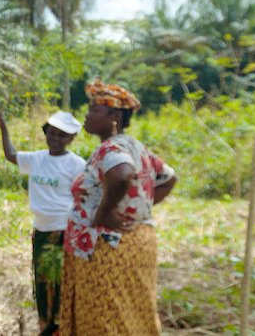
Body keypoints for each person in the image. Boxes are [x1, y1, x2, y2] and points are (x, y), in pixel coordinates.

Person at [56, 80, 177, 335]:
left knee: (106, 318)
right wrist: (134, 208)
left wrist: (104, 212)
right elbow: (168, 178)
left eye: (95, 110)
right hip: (137, 242)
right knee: (133, 313)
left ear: (115, 116)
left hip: (109, 248)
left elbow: (122, 176)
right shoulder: (136, 146)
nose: (87, 115)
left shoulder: (111, 148)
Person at [0, 111, 86, 336]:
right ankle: (46, 325)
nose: (55, 138)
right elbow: (11, 155)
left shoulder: (77, 165)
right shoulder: (36, 159)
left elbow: (86, 195)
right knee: (43, 281)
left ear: (71, 139)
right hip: (41, 230)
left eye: (62, 136)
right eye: (52, 133)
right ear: (46, 133)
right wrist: (3, 127)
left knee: (61, 281)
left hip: (64, 230)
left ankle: (61, 327)